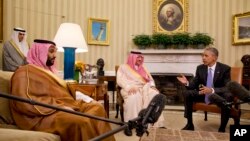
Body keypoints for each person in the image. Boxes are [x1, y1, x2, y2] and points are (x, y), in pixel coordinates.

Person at [10, 39, 115, 141]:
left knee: (98, 108)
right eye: (51, 51)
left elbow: (62, 92)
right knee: (81, 122)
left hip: (65, 105)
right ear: (39, 52)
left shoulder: (50, 72)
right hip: (42, 115)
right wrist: (59, 107)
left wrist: (86, 99)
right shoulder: (24, 72)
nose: (55, 55)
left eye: (55, 51)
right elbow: (22, 102)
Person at [177, 47, 233, 132]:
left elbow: (227, 87)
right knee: (187, 93)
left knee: (228, 96)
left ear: (214, 57)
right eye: (203, 56)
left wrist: (212, 90)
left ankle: (222, 128)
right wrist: (186, 83)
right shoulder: (200, 68)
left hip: (218, 95)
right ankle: (189, 124)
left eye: (206, 56)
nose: (203, 58)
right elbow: (194, 84)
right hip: (203, 94)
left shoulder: (225, 69)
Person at [116, 51, 165, 136]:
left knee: (154, 95)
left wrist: (153, 86)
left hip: (144, 87)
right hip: (130, 88)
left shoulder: (143, 68)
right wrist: (129, 87)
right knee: (134, 97)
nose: (140, 59)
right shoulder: (123, 67)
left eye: (141, 57)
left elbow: (150, 80)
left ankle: (151, 122)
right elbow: (120, 80)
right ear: (132, 57)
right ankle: (129, 124)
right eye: (138, 57)